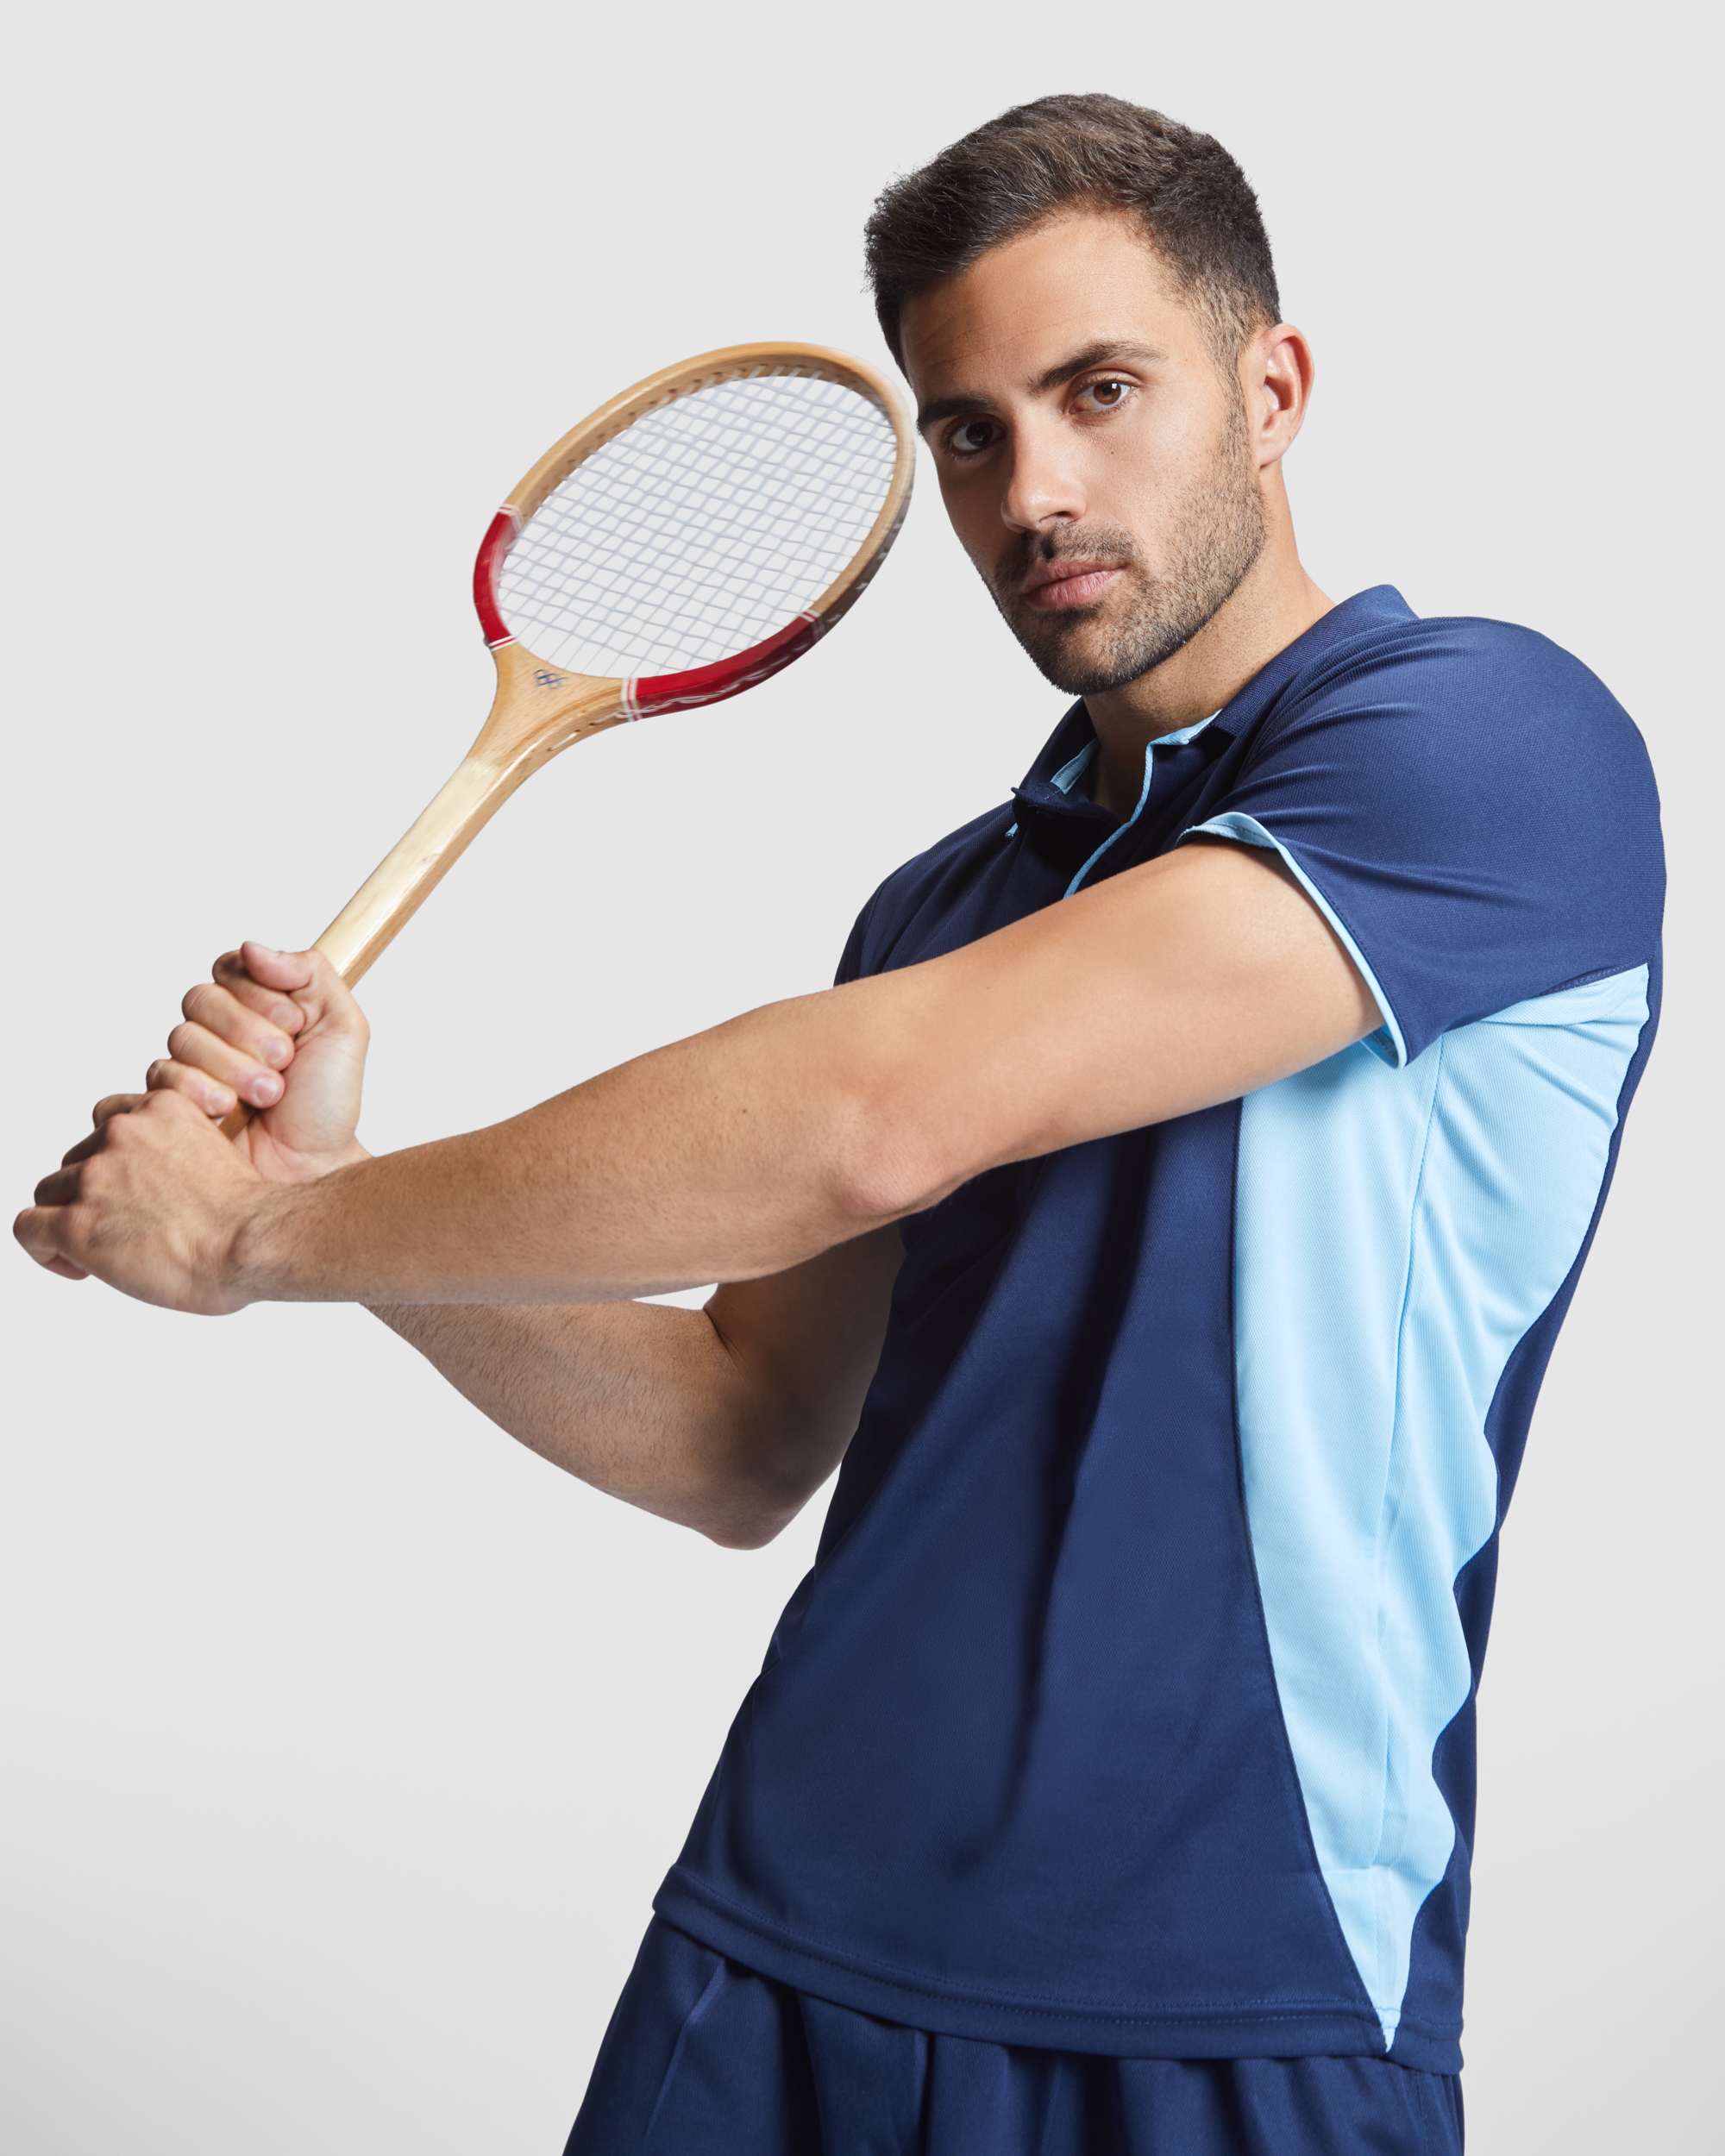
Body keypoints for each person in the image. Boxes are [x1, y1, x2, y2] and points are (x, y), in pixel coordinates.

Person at [16, 94, 1663, 2156]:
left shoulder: (1486, 750)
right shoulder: (944, 905)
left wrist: (247, 1238)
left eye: (1099, 391)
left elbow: (874, 1117)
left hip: (1236, 1989)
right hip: (777, 1938)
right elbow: (736, 1432)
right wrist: (328, 1199)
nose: (1032, 491)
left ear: (1271, 391)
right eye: (969, 429)